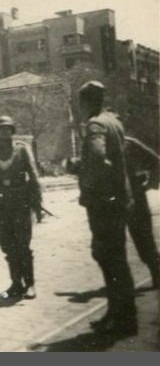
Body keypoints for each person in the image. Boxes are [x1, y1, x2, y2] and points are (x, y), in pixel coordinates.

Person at [66, 81, 137, 336]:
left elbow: (98, 158)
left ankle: (123, 319)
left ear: (85, 102)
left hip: (103, 203)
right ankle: (120, 314)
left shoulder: (95, 125)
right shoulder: (113, 121)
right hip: (118, 199)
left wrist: (79, 170)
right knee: (116, 259)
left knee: (108, 258)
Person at [0, 115, 44, 300]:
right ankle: (16, 284)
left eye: (8, 129)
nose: (5, 132)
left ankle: (30, 284)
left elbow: (33, 176)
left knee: (23, 244)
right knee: (7, 245)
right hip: (0, 204)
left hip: (20, 202)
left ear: (12, 131)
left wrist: (37, 203)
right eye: (1, 129)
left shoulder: (22, 149)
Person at [124, 135, 160, 288]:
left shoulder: (129, 144)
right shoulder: (98, 144)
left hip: (135, 196)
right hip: (112, 199)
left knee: (144, 240)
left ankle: (157, 273)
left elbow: (156, 161)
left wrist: (150, 184)